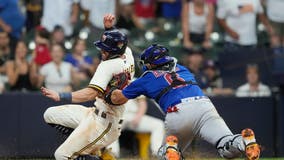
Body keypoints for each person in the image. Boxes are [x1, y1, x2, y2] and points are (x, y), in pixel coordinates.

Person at [106, 44, 261, 160]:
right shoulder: (183, 69)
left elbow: (118, 98)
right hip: (204, 106)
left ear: (151, 63)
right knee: (226, 146)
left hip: (178, 112)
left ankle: (171, 150)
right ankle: (243, 142)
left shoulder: (146, 78)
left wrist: (112, 89)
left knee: (164, 155)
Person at [40, 14, 135, 160]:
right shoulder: (127, 54)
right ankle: (91, 148)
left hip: (105, 124)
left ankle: (96, 155)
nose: (102, 51)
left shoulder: (107, 65)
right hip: (95, 113)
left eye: (105, 49)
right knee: (49, 114)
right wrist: (110, 29)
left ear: (114, 52)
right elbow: (120, 43)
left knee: (61, 156)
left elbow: (90, 94)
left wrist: (61, 95)